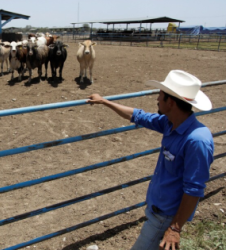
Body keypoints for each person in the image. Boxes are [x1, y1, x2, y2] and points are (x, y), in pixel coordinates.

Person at [86, 70, 214, 250]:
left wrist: (175, 228)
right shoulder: (170, 123)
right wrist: (104, 102)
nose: (157, 99)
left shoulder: (196, 140)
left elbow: (194, 189)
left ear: (170, 102)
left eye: (160, 95)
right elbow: (139, 116)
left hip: (166, 218)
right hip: (159, 212)